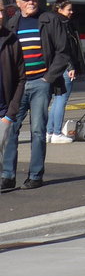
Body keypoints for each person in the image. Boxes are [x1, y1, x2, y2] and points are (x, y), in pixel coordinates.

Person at [1, 0, 71, 190]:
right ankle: (7, 175)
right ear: (19, 3)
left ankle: (35, 175)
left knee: (38, 131)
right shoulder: (12, 24)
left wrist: (48, 79)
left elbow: (63, 51)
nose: (32, 2)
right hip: (18, 86)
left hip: (41, 83)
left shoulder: (50, 20)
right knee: (10, 129)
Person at [46, 0, 85, 144]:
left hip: (54, 66)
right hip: (64, 66)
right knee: (62, 98)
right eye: (69, 9)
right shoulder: (65, 24)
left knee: (56, 100)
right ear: (60, 9)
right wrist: (71, 66)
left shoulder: (52, 22)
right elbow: (65, 48)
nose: (71, 12)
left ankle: (49, 131)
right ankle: (56, 132)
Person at [0, 17, 25, 167]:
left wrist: (10, 114)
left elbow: (21, 79)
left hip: (3, 114)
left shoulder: (12, 40)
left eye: (1, 10)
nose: (1, 15)